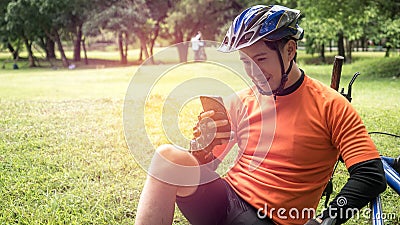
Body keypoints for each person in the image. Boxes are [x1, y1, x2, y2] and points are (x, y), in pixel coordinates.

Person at [135, 5, 386, 225]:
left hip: (272, 218)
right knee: (167, 158)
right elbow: (207, 169)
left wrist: (324, 220)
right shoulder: (240, 101)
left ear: (290, 50)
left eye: (261, 58)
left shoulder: (332, 106)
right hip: (224, 200)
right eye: (245, 62)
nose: (253, 71)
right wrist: (202, 149)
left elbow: (370, 175)